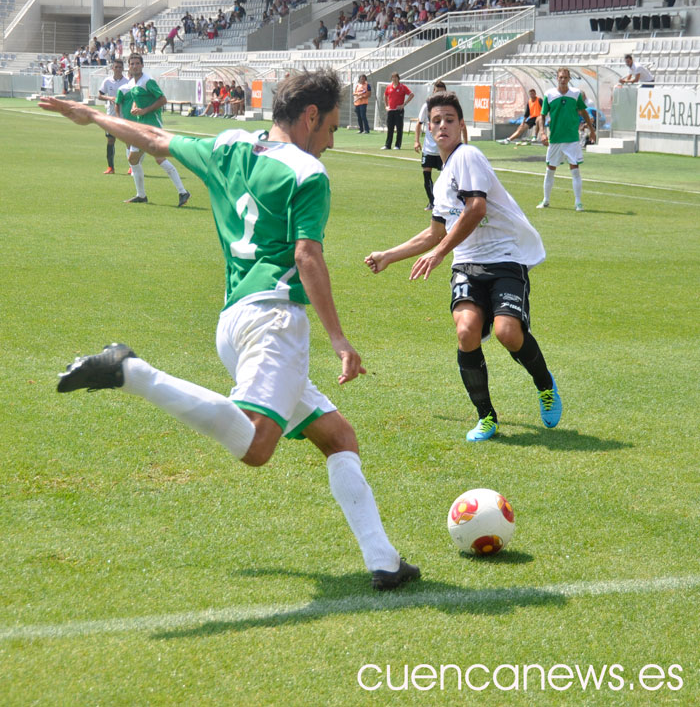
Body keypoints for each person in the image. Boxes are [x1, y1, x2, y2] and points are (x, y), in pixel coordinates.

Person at [39, 69, 419, 592]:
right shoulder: (307, 173)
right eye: (331, 126)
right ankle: (131, 372)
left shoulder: (230, 146)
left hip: (233, 322)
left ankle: (384, 561)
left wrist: (91, 116)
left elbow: (152, 137)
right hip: (274, 321)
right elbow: (307, 254)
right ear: (310, 117)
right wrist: (339, 339)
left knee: (338, 436)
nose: (332, 139)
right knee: (258, 446)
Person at [365, 91, 561, 442]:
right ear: (426, 128)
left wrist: (440, 253)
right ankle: (486, 416)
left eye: (449, 120)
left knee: (507, 332)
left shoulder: (468, 155)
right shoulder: (441, 183)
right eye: (436, 121)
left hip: (504, 259)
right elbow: (434, 233)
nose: (442, 126)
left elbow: (475, 209)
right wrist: (389, 255)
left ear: (461, 126)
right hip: (467, 264)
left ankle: (545, 384)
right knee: (466, 331)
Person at [116, 54, 190, 206]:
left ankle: (183, 192)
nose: (135, 66)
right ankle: (141, 195)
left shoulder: (148, 81)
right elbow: (137, 101)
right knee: (133, 159)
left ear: (142, 65)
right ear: (129, 66)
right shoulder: (132, 83)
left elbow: (163, 99)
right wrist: (136, 108)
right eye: (132, 64)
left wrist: (145, 110)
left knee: (158, 158)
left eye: (137, 63)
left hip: (153, 125)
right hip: (141, 126)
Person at [537, 67, 596, 212]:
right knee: (550, 170)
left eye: (565, 77)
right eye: (561, 77)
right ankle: (546, 200)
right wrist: (543, 133)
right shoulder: (549, 94)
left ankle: (578, 203)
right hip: (555, 138)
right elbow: (542, 115)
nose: (563, 80)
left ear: (569, 79)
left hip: (572, 139)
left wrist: (592, 130)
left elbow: (584, 112)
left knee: (575, 170)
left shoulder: (575, 94)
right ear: (557, 78)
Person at [414, 80, 468, 211]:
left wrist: (465, 143)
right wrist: (416, 141)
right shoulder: (427, 107)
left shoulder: (451, 109)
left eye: (442, 92)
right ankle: (432, 202)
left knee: (448, 176)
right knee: (426, 174)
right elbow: (419, 123)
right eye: (437, 92)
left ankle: (451, 201)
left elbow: (463, 125)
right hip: (429, 148)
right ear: (433, 92)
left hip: (444, 149)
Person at [97, 58, 129, 175]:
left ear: (123, 69)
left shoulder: (127, 81)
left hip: (124, 115)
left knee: (128, 141)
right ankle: (111, 167)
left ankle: (132, 167)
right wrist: (109, 98)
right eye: (116, 67)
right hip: (110, 116)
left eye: (120, 67)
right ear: (112, 68)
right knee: (110, 140)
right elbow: (100, 95)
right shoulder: (107, 81)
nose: (118, 69)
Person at [382, 73, 414, 150]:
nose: (394, 79)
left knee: (399, 128)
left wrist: (404, 104)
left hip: (398, 111)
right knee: (390, 128)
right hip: (391, 111)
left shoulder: (402, 87)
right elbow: (385, 95)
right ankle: (387, 145)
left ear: (398, 78)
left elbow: (411, 94)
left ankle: (397, 145)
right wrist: (386, 106)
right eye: (392, 77)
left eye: (395, 77)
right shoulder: (389, 87)